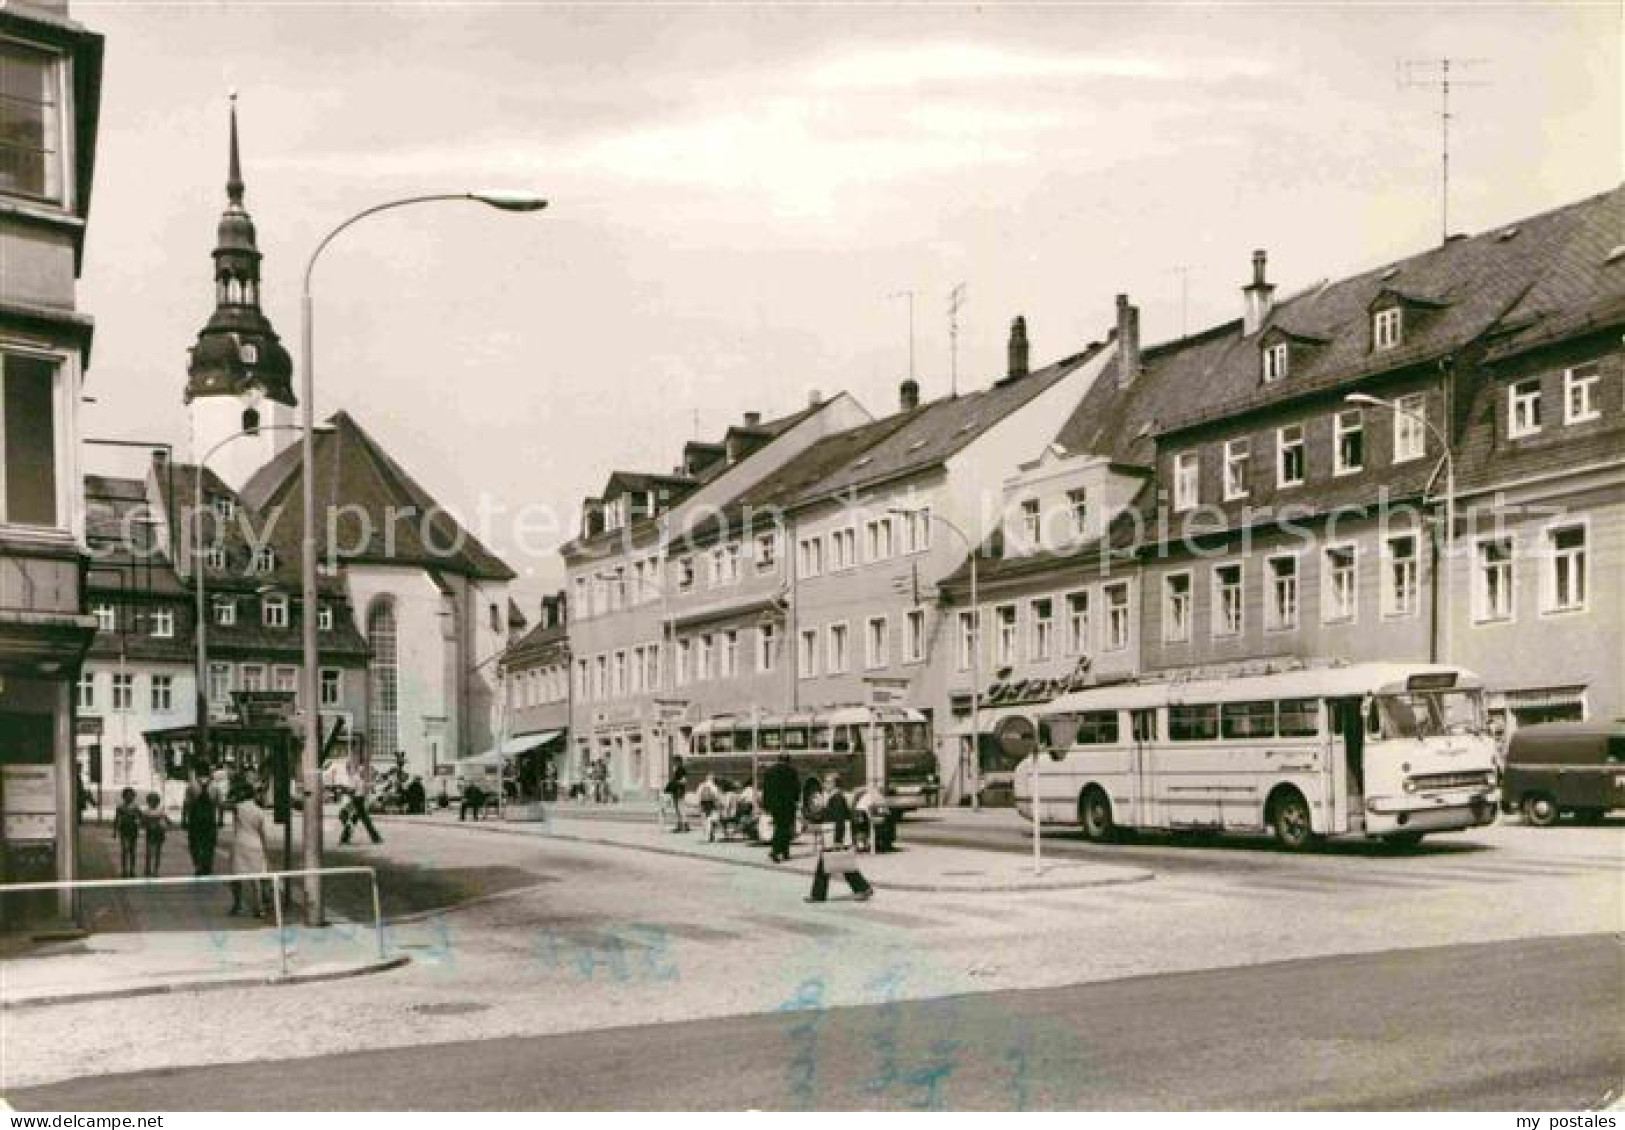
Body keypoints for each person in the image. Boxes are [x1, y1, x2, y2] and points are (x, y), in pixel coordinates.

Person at [806, 774, 872, 903]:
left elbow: (839, 820)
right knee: (844, 865)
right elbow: (826, 816)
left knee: (829, 865)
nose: (825, 784)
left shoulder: (837, 798)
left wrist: (838, 840)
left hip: (834, 837)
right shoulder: (833, 798)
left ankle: (818, 895)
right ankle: (863, 888)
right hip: (832, 836)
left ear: (835, 784)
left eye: (828, 781)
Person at [227, 778, 271, 918]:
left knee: (236, 877)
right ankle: (259, 908)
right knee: (256, 878)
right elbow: (262, 832)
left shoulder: (237, 807)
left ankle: (237, 905)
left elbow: (222, 804)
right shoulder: (259, 811)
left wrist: (232, 796)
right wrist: (264, 849)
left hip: (240, 843)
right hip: (255, 843)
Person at [762, 753, 800, 864]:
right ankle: (777, 851)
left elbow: (766, 789)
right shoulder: (792, 771)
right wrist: (796, 800)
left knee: (779, 827)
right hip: (788, 805)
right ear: (788, 760)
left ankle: (784, 851)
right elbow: (796, 788)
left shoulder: (770, 771)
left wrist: (766, 805)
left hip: (775, 806)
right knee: (785, 828)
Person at [183, 768, 218, 876]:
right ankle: (207, 864)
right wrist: (220, 820)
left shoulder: (191, 787)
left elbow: (186, 804)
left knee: (195, 843)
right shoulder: (215, 787)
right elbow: (219, 805)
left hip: (195, 820)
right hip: (210, 820)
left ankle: (198, 864)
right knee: (209, 843)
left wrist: (184, 819)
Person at [112, 787, 142, 879]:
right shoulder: (120, 807)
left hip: (133, 830)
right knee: (124, 850)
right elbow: (116, 819)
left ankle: (132, 869)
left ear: (133, 797)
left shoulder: (136, 807)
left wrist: (138, 821)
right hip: (124, 830)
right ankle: (124, 869)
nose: (129, 797)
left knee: (132, 850)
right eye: (127, 796)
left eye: (131, 796)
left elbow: (140, 818)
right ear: (123, 797)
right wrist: (115, 831)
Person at [141, 792, 170, 878]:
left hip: (158, 833)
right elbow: (143, 821)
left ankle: (155, 869)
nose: (152, 802)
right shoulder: (146, 811)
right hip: (150, 833)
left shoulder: (160, 810)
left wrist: (166, 824)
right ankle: (148, 868)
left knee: (157, 852)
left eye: (154, 800)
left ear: (157, 801)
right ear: (148, 801)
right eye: (150, 800)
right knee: (149, 852)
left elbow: (167, 819)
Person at [665, 756, 690, 832]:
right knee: (677, 809)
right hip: (676, 791)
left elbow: (684, 781)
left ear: (678, 761)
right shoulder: (678, 770)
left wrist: (674, 783)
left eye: (675, 761)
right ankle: (680, 825)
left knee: (680, 808)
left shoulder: (682, 769)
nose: (674, 763)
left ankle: (685, 825)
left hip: (679, 791)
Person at [697, 773, 722, 841]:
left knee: (706, 818)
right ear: (713, 779)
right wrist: (718, 803)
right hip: (712, 803)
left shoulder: (701, 785)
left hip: (704, 803)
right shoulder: (714, 786)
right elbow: (717, 796)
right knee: (712, 818)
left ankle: (708, 834)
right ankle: (711, 834)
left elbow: (698, 795)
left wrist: (699, 804)